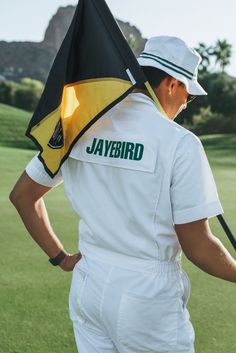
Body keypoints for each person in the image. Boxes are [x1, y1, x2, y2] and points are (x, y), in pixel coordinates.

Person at [10, 36, 236, 353]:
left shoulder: (80, 125)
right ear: (171, 84)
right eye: (189, 94)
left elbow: (22, 195)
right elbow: (198, 245)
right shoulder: (180, 143)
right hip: (147, 300)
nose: (187, 104)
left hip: (88, 286)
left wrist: (61, 258)